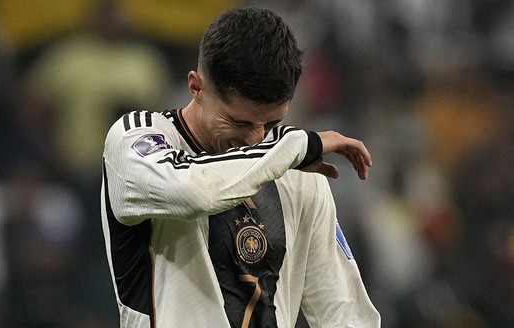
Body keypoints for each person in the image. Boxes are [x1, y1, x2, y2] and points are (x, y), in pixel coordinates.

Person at [101, 6, 380, 328]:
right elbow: (194, 192)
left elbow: (344, 311)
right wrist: (295, 147)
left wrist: (290, 150)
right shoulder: (133, 142)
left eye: (273, 122)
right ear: (196, 87)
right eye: (238, 121)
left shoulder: (294, 166)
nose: (255, 138)